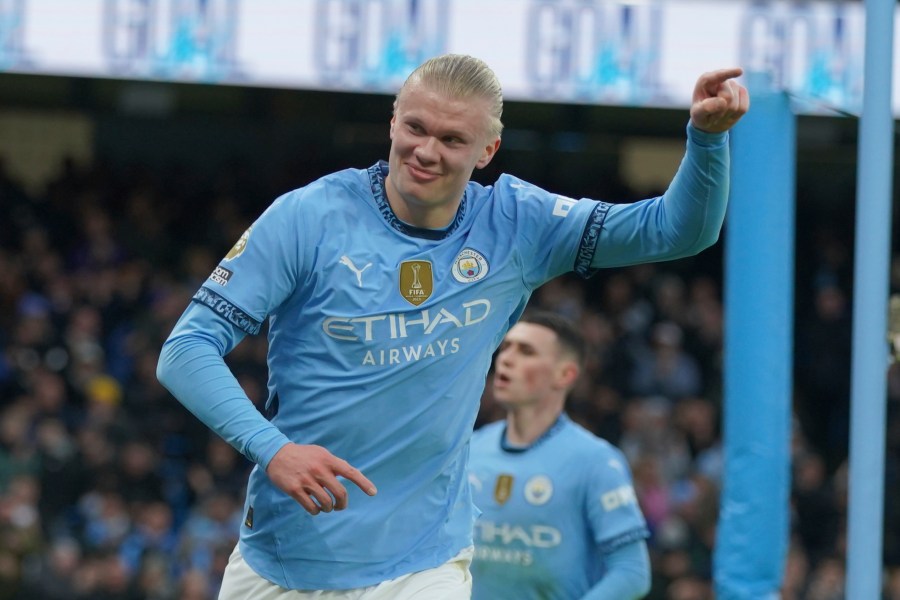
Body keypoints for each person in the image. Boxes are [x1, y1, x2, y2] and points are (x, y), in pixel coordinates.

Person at [156, 53, 748, 599]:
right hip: (288, 559)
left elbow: (678, 231)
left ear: (488, 150)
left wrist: (707, 139)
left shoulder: (517, 223)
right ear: (392, 121)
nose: (426, 151)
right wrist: (274, 450)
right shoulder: (309, 217)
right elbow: (185, 349)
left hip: (424, 564)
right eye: (415, 128)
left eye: (451, 138)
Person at [469, 310, 651, 599]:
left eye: (526, 351)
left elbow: (632, 572)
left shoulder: (596, 460)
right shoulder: (470, 449)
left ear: (565, 374)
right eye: (506, 347)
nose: (506, 359)